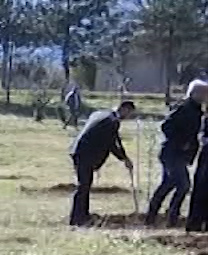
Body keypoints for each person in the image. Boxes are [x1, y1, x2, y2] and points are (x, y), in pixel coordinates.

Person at [66, 98, 136, 227]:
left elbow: (116, 140)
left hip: (79, 151)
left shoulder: (103, 114)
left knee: (85, 185)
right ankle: (76, 219)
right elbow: (111, 144)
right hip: (84, 153)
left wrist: (125, 157)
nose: (128, 117)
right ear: (124, 109)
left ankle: (83, 215)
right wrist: (123, 159)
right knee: (83, 186)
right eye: (129, 113)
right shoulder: (111, 121)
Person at [148, 81, 206, 226]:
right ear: (195, 93)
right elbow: (166, 126)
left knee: (168, 184)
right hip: (172, 153)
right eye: (205, 93)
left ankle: (152, 216)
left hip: (179, 155)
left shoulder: (196, 109)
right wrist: (181, 142)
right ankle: (172, 216)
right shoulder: (183, 108)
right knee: (183, 185)